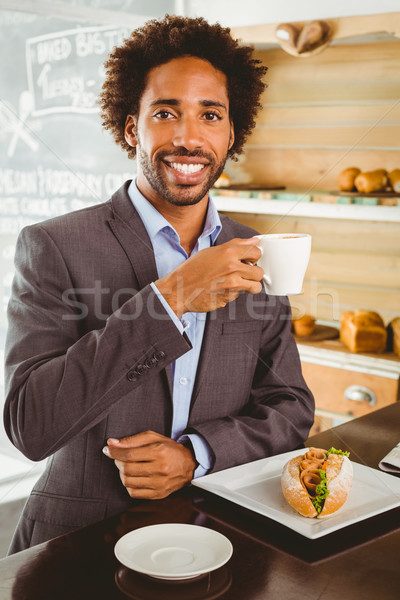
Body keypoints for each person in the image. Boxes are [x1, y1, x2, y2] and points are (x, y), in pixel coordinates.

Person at [4, 15, 314, 554]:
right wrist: (170, 299)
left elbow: (289, 409)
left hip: (219, 533)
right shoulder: (54, 245)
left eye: (210, 115)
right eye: (165, 112)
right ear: (132, 128)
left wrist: (198, 454)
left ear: (231, 132)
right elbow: (31, 425)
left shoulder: (256, 250)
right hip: (77, 545)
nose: (188, 137)